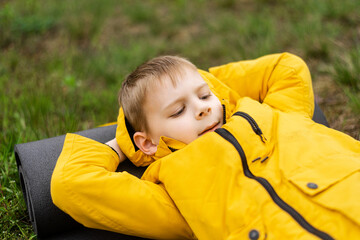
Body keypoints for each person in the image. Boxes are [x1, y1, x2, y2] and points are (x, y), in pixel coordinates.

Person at [51, 53, 360, 240]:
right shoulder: (171, 193)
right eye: (177, 111)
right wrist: (121, 146)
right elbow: (71, 184)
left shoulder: (276, 112)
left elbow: (286, 67)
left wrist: (207, 85)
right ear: (147, 141)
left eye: (204, 95)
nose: (202, 109)